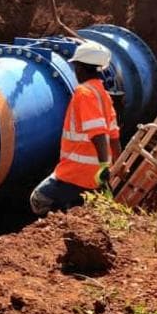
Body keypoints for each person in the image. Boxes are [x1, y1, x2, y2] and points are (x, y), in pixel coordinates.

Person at [29, 41, 120, 214]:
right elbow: (114, 135)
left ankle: (56, 228)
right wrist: (115, 165)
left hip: (77, 173)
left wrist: (103, 166)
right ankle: (70, 216)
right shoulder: (104, 95)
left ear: (80, 67)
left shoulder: (84, 93)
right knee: (78, 205)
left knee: (39, 199)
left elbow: (99, 133)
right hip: (95, 175)